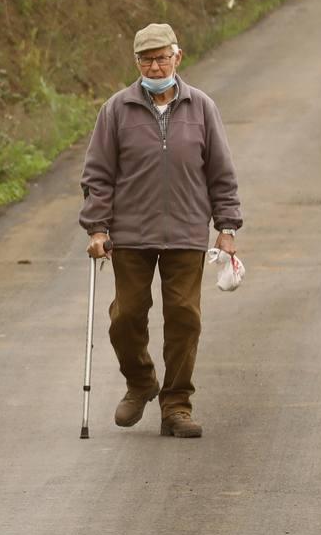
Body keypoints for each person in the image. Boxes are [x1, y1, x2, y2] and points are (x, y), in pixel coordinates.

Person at [78, 23, 242, 438]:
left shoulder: (202, 108)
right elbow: (98, 174)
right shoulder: (116, 110)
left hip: (187, 233)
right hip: (130, 235)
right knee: (126, 317)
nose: (155, 66)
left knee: (184, 319)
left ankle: (176, 406)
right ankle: (141, 381)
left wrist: (226, 226)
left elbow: (221, 172)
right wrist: (97, 228)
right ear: (137, 63)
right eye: (146, 59)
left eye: (161, 58)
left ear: (177, 57)